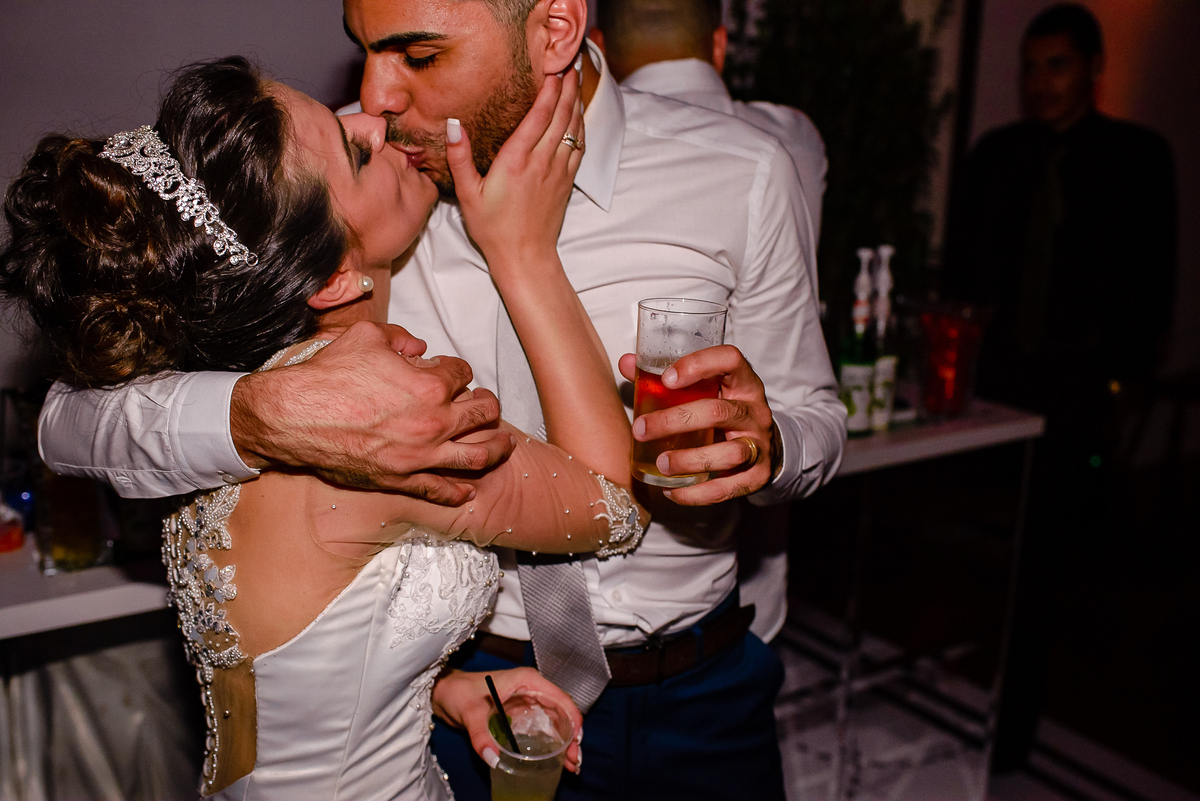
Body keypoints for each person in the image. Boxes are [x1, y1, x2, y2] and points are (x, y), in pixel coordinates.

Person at [37, 0, 848, 796]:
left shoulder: (739, 172)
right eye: (362, 48)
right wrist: (262, 414)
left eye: (419, 55)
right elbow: (66, 417)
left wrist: (773, 446)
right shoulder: (337, 185)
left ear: (555, 28)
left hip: (696, 686)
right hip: (474, 689)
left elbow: (817, 416)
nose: (374, 97)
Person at [1, 56, 650, 799]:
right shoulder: (382, 424)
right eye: (357, 153)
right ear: (336, 278)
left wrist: (431, 689)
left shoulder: (221, 374)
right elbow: (613, 503)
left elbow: (274, 682)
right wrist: (525, 251)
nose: (370, 116)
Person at [942, 3, 1177, 770]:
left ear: (1093, 69)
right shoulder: (996, 155)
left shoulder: (1138, 158)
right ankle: (962, 687)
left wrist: (1118, 383)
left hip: (1075, 383)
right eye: (1032, 68)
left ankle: (1013, 727)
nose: (1041, 83)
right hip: (996, 381)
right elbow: (961, 269)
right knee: (976, 551)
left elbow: (1154, 281)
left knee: (1042, 564)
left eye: (1059, 66)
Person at [589, 0, 828, 644]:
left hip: (711, 596)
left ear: (595, 46)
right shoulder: (794, 139)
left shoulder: (759, 159)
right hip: (750, 586)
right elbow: (814, 409)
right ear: (719, 45)